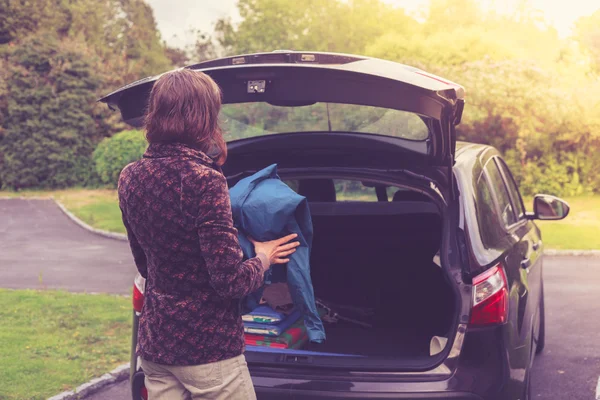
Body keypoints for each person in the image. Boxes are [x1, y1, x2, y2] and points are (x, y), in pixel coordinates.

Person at [117, 69, 300, 400]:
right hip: (208, 352)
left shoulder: (130, 176)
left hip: (157, 346)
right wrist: (263, 256)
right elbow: (230, 281)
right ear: (203, 116)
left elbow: (146, 267)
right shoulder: (204, 180)